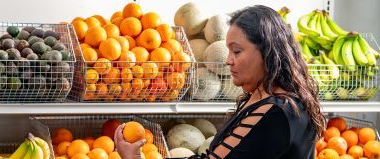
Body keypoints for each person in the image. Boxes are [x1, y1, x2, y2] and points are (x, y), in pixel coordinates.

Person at [113, 5, 325, 159]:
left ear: (267, 52)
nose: (227, 60)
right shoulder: (273, 101)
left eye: (237, 51)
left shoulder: (273, 115)